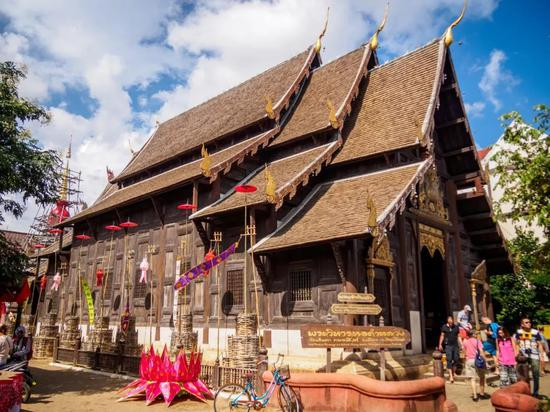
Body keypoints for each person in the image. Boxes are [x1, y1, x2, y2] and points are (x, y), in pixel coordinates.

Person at [513, 317, 545, 396]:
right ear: (522, 324)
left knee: (535, 374)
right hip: (523, 356)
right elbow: (516, 344)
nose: (529, 323)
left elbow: (539, 344)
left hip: (534, 355)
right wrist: (517, 354)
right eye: (526, 322)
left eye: (529, 322)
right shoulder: (519, 332)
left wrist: (542, 356)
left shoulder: (535, 332)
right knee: (524, 375)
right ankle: (527, 392)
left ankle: (536, 392)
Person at [462, 329, 489, 401]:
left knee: (472, 379)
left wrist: (466, 358)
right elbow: (481, 351)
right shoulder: (477, 341)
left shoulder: (465, 342)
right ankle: (482, 394)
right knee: (482, 377)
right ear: (473, 334)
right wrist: (485, 361)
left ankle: (475, 395)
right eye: (476, 334)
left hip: (469, 360)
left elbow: (464, 352)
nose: (477, 335)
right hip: (478, 361)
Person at [438, 315, 460, 383]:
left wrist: (462, 345)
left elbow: (458, 336)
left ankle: (453, 372)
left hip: (455, 345)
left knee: (456, 359)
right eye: (449, 321)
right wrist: (440, 344)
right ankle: (451, 376)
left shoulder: (456, 327)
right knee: (449, 359)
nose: (450, 323)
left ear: (453, 321)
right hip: (448, 345)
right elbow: (442, 335)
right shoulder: (444, 327)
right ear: (447, 321)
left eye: (451, 321)